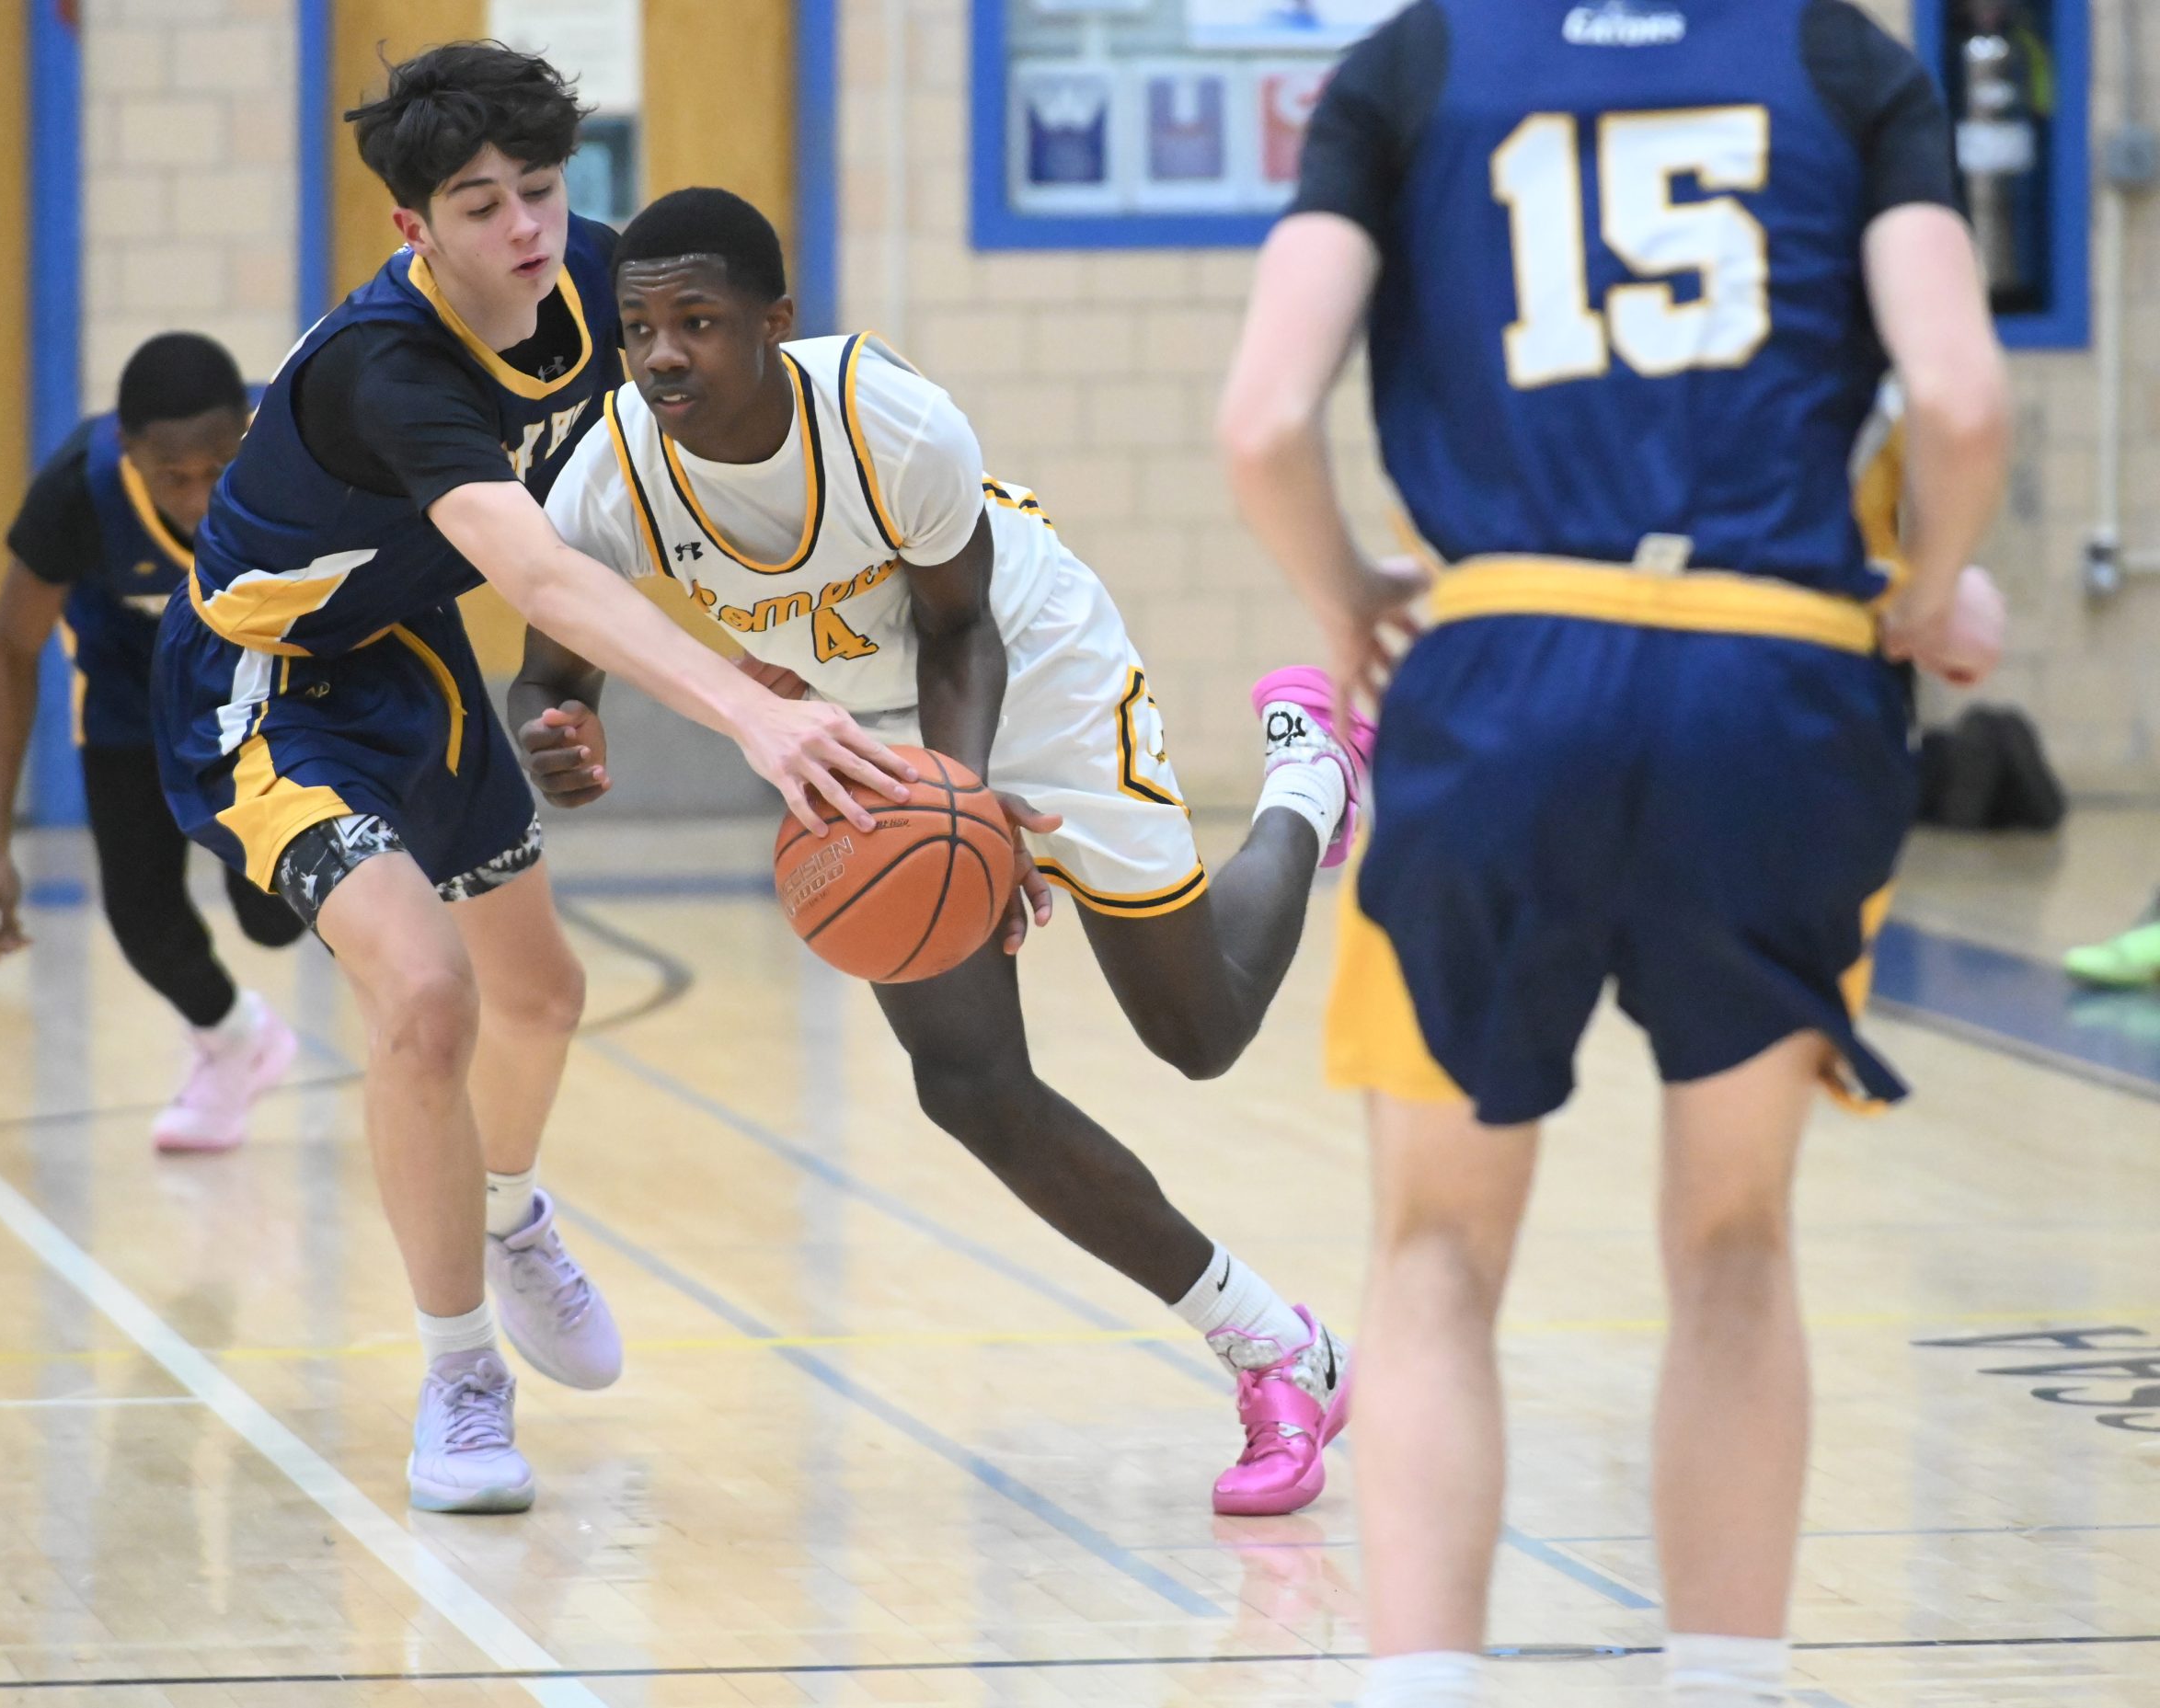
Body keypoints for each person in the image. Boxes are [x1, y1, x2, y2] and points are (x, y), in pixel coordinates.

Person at [1219, 1, 2009, 1701]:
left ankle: (1424, 1682)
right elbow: (1958, 394)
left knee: (1433, 1246)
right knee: (1735, 1235)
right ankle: (1728, 1678)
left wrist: (1347, 591)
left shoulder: (1414, 66)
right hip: (1775, 680)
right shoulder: (1848, 60)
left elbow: (1261, 420)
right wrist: (1931, 594)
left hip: (1504, 666)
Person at [149, 44, 913, 1515]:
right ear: (414, 229)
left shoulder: (607, 287)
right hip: (264, 686)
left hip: (403, 649)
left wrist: (796, 660)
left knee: (544, 995)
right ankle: (460, 1382)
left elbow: (682, 488)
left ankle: (508, 1215)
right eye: (481, 203)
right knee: (426, 996)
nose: (524, 228)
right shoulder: (392, 367)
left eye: (543, 191)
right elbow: (540, 568)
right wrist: (746, 721)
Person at [530, 187, 1368, 1516]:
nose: (664, 355)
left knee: (1198, 1033)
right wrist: (554, 733)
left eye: (698, 321)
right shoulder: (608, 478)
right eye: (639, 329)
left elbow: (962, 631)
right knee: (967, 1083)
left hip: (1032, 671)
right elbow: (551, 666)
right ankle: (1278, 1347)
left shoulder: (886, 420)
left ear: (776, 324)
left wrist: (966, 806)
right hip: (865, 740)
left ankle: (1310, 779)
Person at [0, 333, 304, 1152]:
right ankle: (233, 1039)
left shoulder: (297, 465)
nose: (198, 499)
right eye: (173, 477)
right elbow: (11, 652)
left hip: (265, 700)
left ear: (249, 434)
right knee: (141, 917)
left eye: (217, 470)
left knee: (275, 914)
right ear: (129, 450)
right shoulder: (75, 497)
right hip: (135, 705)